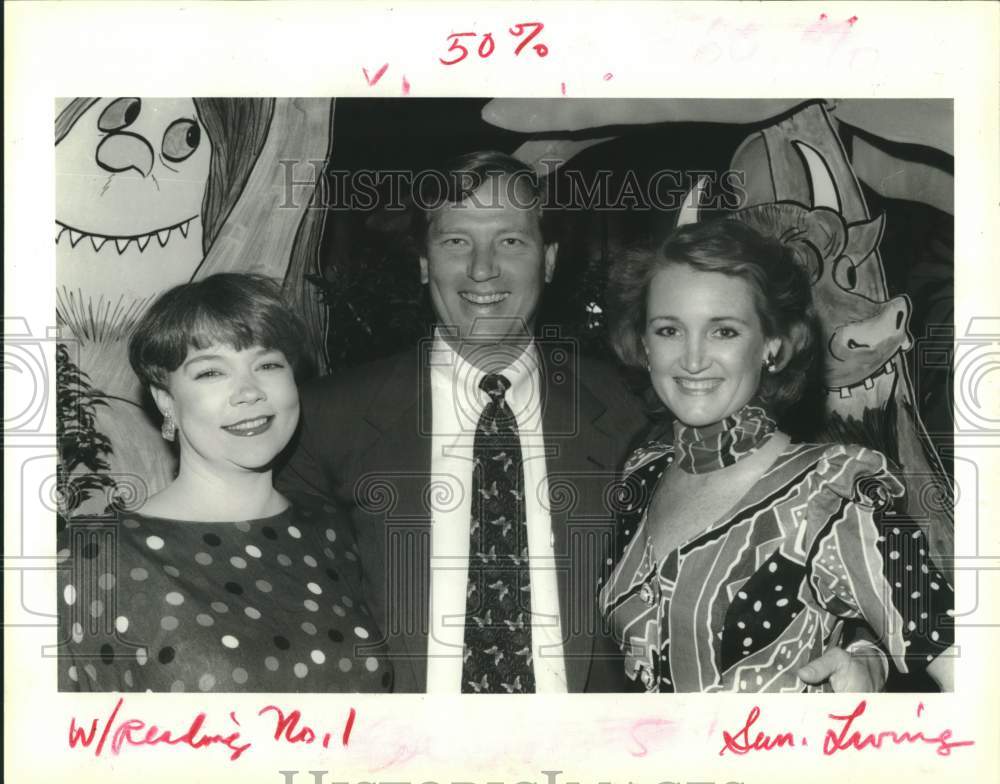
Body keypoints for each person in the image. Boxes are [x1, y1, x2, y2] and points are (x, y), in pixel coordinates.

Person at [276, 151, 879, 693]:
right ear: (423, 263)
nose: (483, 270)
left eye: (511, 241)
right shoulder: (328, 420)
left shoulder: (640, 408)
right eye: (456, 241)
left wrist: (862, 646)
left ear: (549, 259)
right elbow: (274, 594)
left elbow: (782, 521)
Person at [599, 218, 955, 693]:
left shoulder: (832, 491)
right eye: (669, 330)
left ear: (771, 344)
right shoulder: (644, 470)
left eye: (723, 331)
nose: (692, 358)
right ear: (644, 345)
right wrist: (864, 645)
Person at [57, 273, 392, 693]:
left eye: (268, 364)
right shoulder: (92, 559)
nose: (249, 392)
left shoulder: (334, 529)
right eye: (212, 372)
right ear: (166, 400)